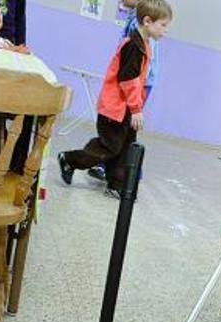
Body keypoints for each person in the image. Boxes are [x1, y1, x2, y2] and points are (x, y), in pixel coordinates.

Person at [57, 0, 172, 198]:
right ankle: (70, 159)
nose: (165, 30)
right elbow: (128, 80)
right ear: (147, 21)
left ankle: (116, 185)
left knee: (124, 148)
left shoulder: (142, 44)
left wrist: (134, 108)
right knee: (109, 146)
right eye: (163, 25)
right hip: (115, 109)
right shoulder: (134, 46)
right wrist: (136, 109)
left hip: (124, 109)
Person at [87, 0, 161, 183]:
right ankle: (120, 175)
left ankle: (125, 176)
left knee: (125, 135)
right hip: (134, 84)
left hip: (139, 84)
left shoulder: (141, 23)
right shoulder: (135, 22)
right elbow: (128, 72)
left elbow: (131, 75)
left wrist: (135, 107)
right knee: (120, 135)